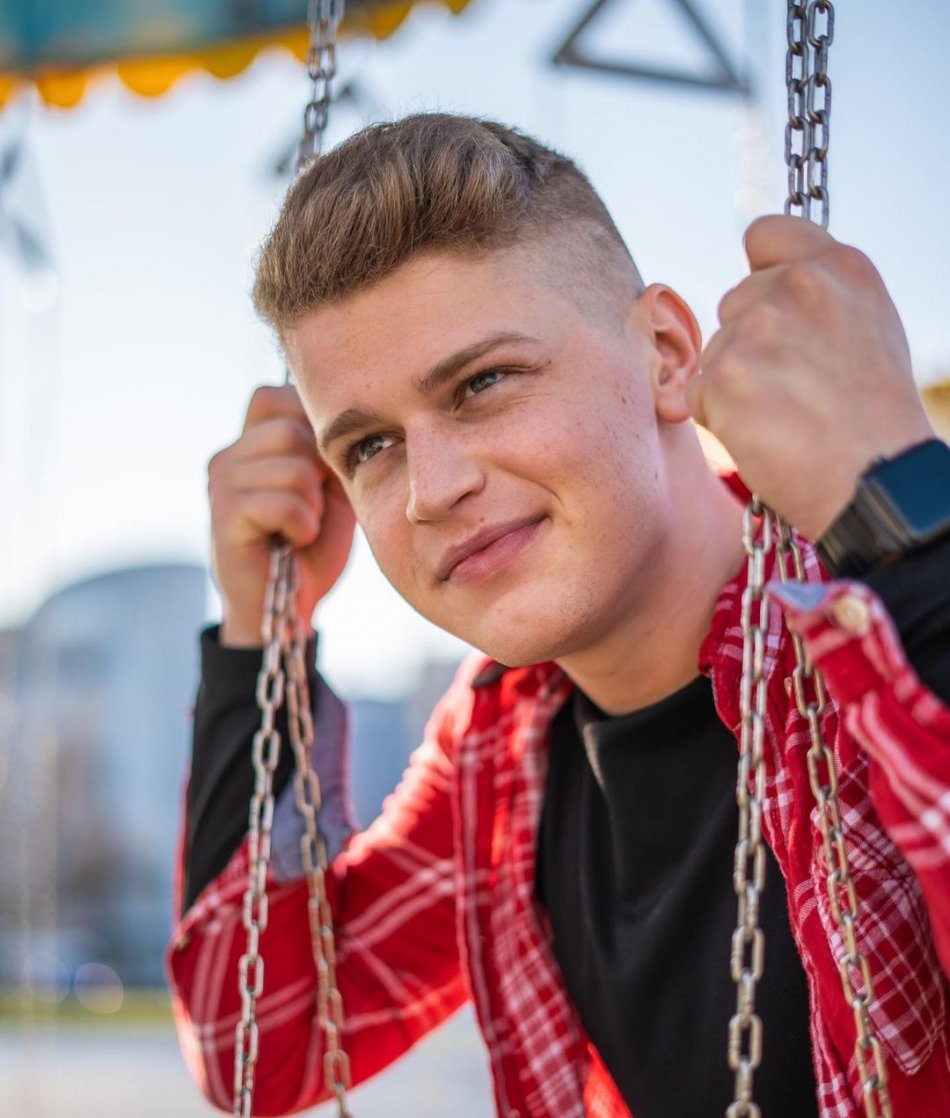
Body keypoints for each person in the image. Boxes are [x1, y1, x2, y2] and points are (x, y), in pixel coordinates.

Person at [167, 114, 950, 1118]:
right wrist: (257, 636)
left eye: (482, 383)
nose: (430, 490)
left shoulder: (873, 631)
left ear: (667, 353)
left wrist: (904, 516)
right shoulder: (501, 740)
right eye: (369, 446)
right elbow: (257, 1041)